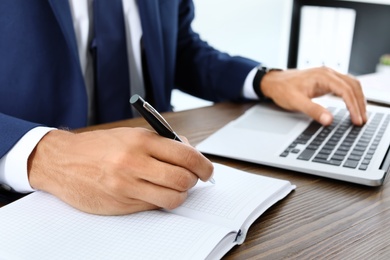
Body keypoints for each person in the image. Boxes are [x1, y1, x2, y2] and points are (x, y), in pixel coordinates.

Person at [0, 0, 366, 215]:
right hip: (27, 198)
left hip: (161, 182)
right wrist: (42, 155)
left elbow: (183, 49)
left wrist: (263, 79)